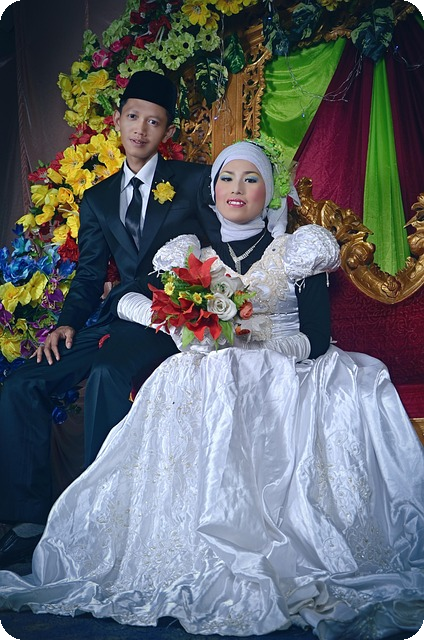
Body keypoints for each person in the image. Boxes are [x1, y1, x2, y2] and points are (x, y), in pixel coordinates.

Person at [1, 141, 423, 640]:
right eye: (227, 178)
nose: (236, 188)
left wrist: (266, 353)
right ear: (213, 189)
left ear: (268, 192)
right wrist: (173, 325)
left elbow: (315, 336)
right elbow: (126, 300)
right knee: (190, 389)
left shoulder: (297, 250)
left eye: (250, 178)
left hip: (285, 371)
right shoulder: (189, 254)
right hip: (208, 370)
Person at [0, 70, 212, 568]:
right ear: (118, 121)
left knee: (105, 372)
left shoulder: (194, 180)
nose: (141, 128)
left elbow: (219, 246)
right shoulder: (97, 198)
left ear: (167, 131)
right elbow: (91, 273)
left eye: (154, 122)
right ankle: (28, 522)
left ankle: (101, 516)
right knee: (23, 382)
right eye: (133, 117)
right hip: (117, 318)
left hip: (170, 322)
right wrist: (67, 323)